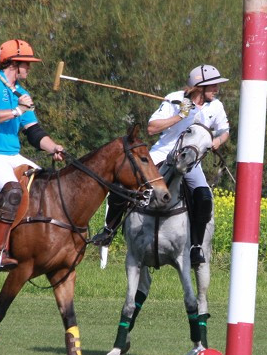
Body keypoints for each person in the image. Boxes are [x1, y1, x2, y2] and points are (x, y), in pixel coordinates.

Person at [92, 64, 230, 268]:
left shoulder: (216, 106)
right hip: (163, 154)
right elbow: (151, 128)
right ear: (198, 87)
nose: (217, 88)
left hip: (191, 161)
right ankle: (109, 230)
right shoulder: (174, 99)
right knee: (123, 187)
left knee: (203, 197)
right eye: (212, 85)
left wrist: (213, 143)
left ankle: (196, 247)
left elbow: (224, 131)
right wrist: (179, 116)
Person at [0, 39, 66, 272]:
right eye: (27, 63)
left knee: (46, 185)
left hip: (12, 155)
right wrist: (17, 110)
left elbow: (33, 132)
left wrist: (53, 147)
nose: (29, 68)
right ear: (14, 63)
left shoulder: (21, 93)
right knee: (12, 189)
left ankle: (34, 244)